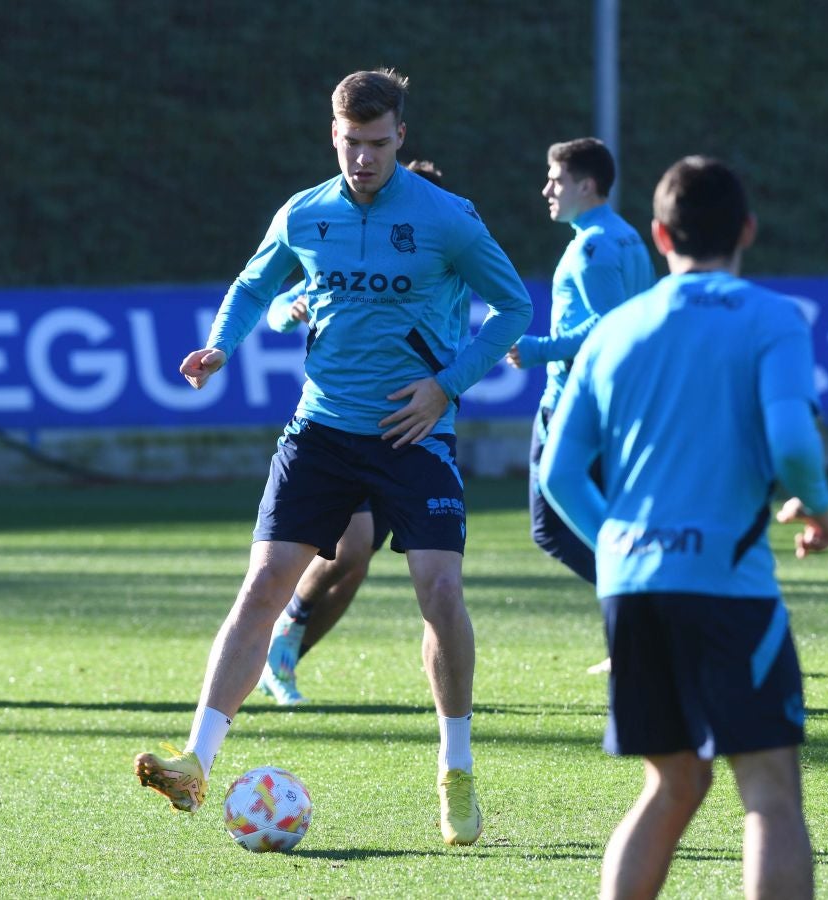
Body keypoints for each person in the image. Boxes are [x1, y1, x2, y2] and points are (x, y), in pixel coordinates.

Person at [134, 71, 531, 849]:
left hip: (412, 435)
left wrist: (445, 389)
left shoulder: (447, 219)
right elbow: (254, 287)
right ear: (333, 136)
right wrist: (222, 343)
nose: (363, 160)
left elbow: (513, 305)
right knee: (263, 583)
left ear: (400, 138)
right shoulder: (304, 213)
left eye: (377, 145)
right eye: (350, 145)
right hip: (319, 431)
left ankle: (455, 769)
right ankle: (196, 759)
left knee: (438, 590)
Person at [538, 155, 828, 899]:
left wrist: (617, 543)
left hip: (633, 585)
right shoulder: (771, 319)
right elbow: (794, 443)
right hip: (725, 588)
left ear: (657, 235)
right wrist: (816, 505)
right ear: (746, 229)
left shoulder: (615, 332)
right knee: (767, 791)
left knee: (671, 786)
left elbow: (559, 473)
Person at [258, 159, 450, 706]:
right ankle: (286, 627)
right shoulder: (345, 242)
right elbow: (270, 302)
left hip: (410, 430)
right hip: (343, 422)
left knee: (356, 564)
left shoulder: (443, 256)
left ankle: (286, 657)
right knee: (352, 546)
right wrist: (288, 310)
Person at [504, 138, 654, 674]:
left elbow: (609, 327)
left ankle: (643, 605)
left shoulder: (591, 247)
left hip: (574, 404)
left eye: (556, 179)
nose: (547, 189)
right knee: (596, 519)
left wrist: (540, 349)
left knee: (550, 527)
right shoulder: (629, 237)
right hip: (614, 403)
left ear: (586, 185)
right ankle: (638, 621)